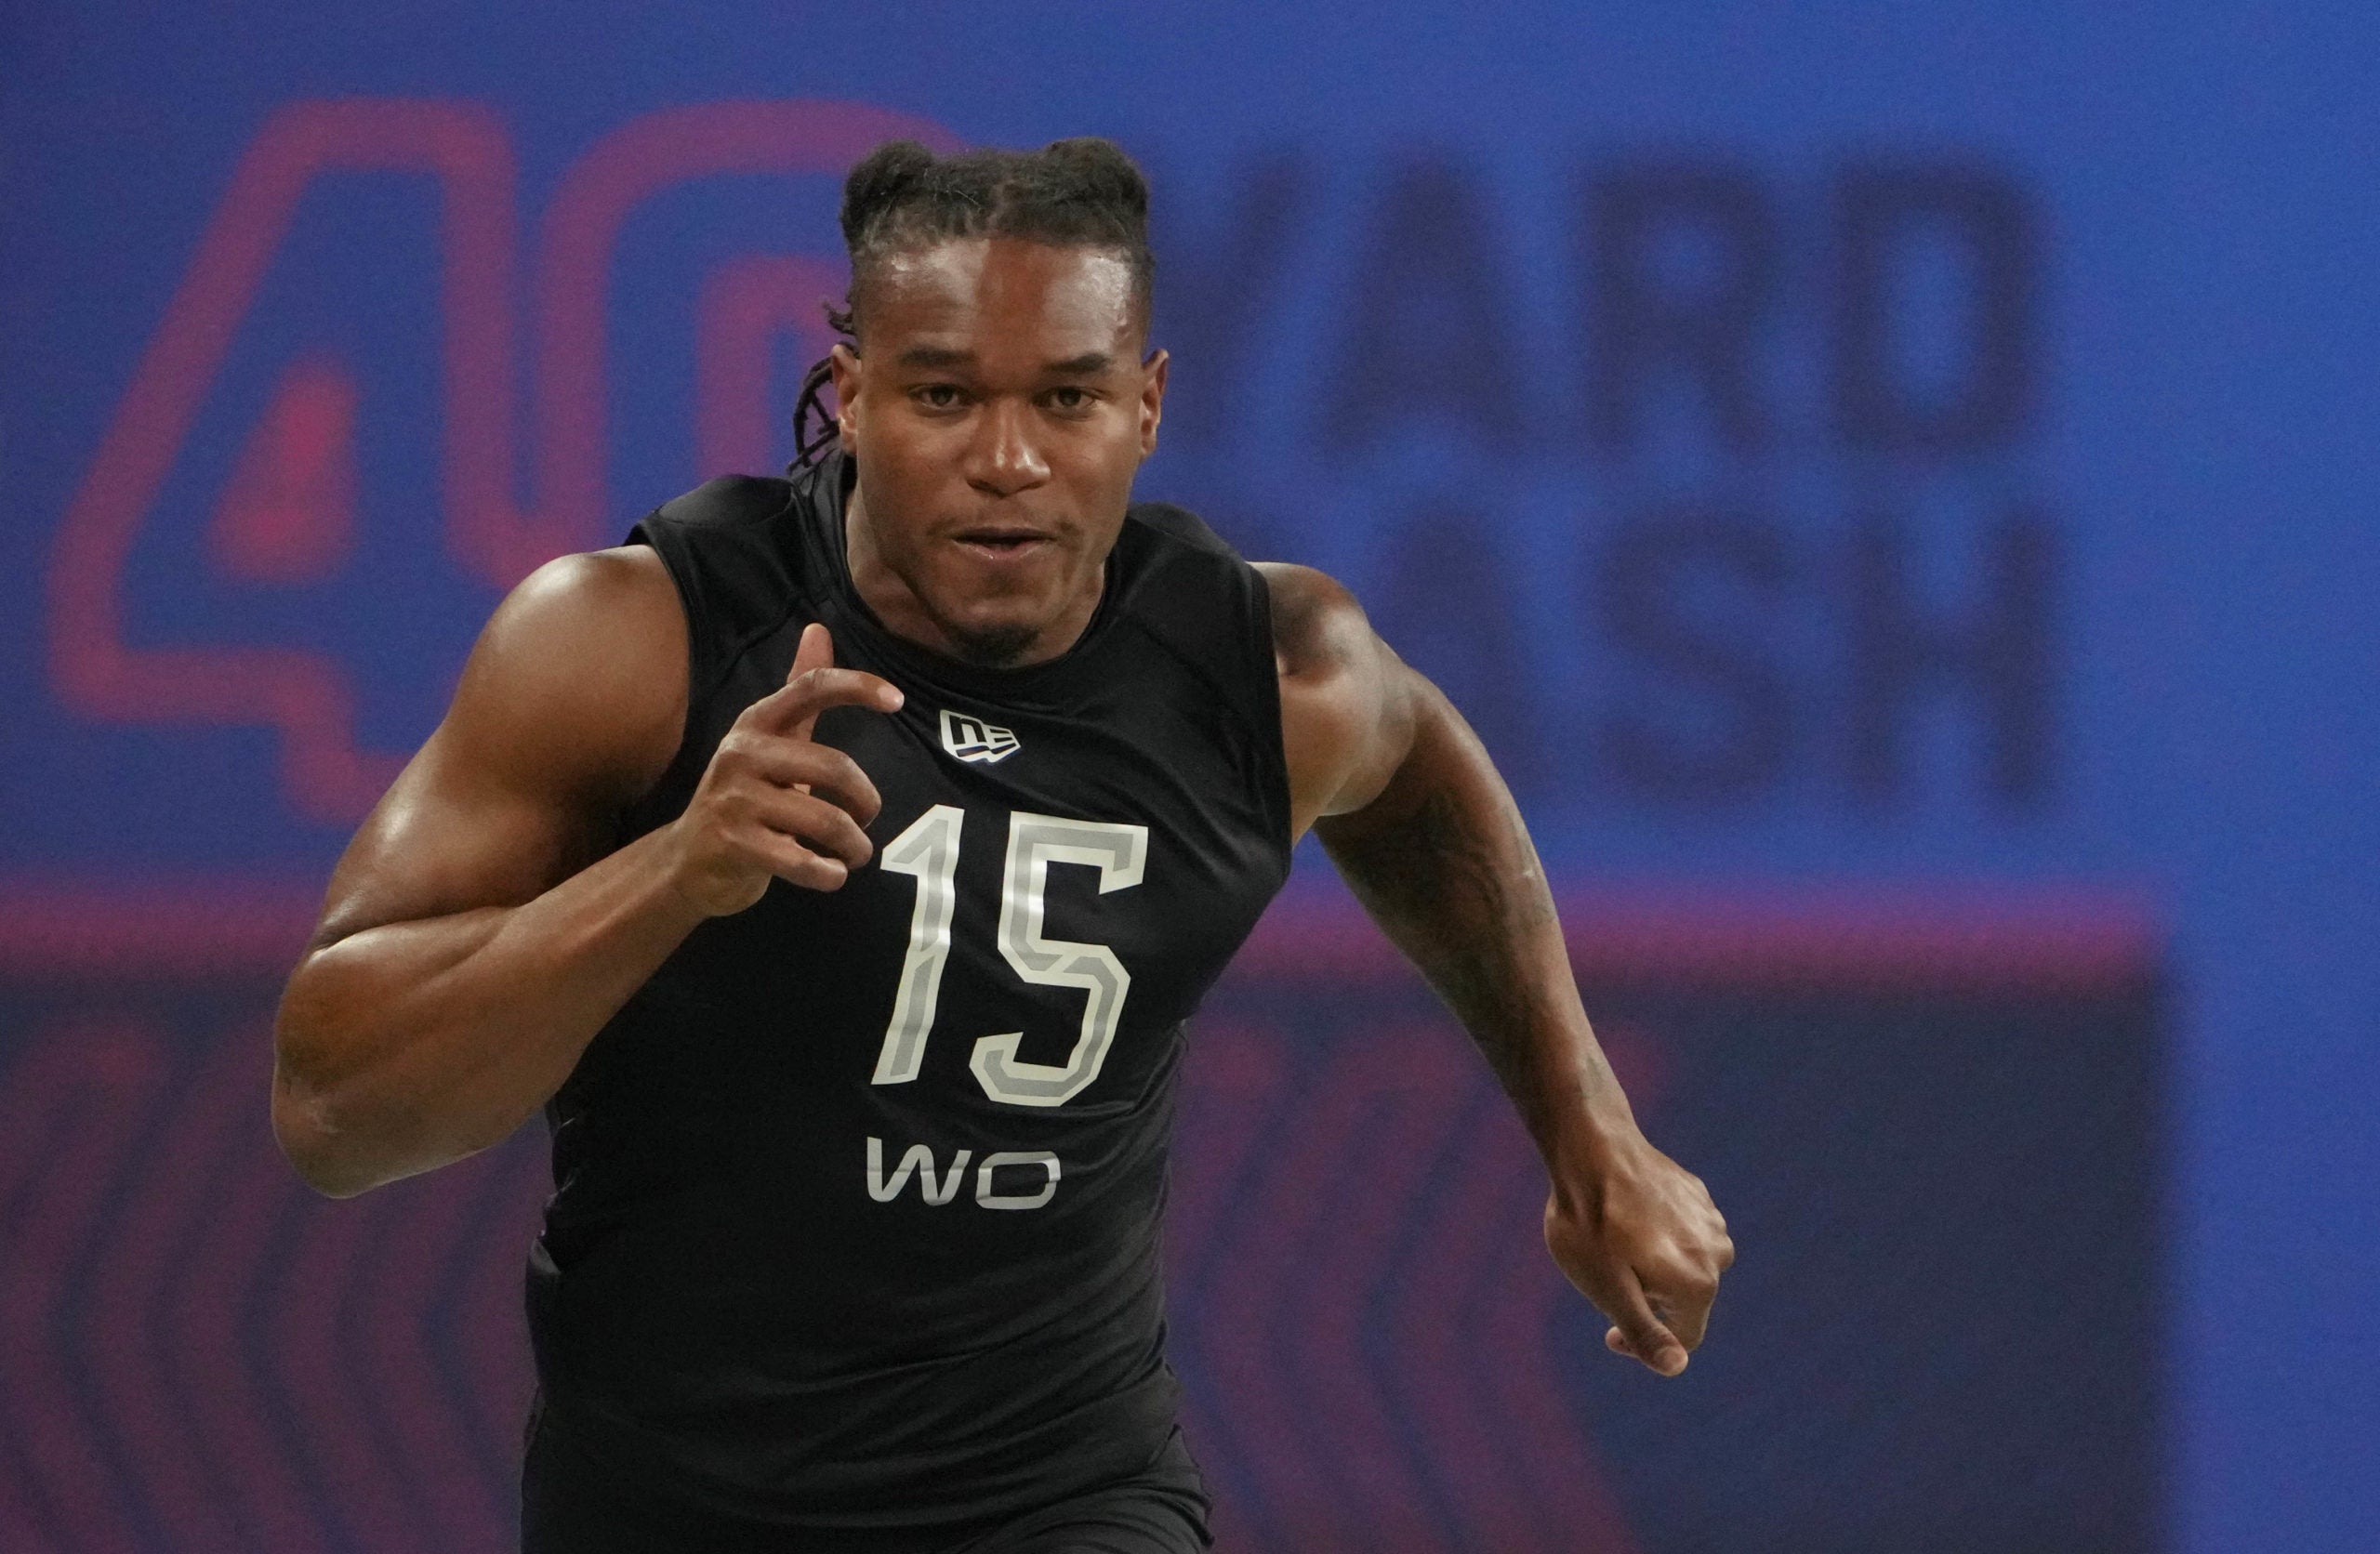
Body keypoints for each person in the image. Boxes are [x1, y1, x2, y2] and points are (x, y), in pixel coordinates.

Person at [270, 137, 1732, 1554]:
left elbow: (1417, 779)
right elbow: (335, 1112)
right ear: (851, 397)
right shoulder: (633, 641)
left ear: (1147, 409)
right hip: (669, 1499)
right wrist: (667, 878)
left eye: (1070, 399)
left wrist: (1587, 1128)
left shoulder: (1259, 674)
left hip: (1064, 1490)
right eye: (945, 395)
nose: (1011, 459)